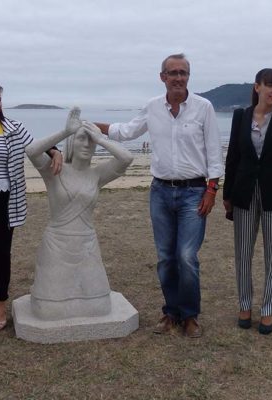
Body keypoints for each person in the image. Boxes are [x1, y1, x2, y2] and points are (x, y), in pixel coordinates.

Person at [95, 53, 224, 338]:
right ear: (162, 77)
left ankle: (190, 316)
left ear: (189, 76)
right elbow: (126, 131)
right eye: (173, 72)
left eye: (183, 72)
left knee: (187, 256)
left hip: (194, 192)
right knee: (166, 257)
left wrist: (212, 191)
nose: (179, 77)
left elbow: (215, 154)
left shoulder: (204, 108)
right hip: (161, 192)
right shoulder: (153, 107)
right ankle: (171, 312)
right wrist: (92, 127)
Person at [0, 79, 63, 330]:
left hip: (6, 201)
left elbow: (35, 146)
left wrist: (55, 152)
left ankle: (0, 305)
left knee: (2, 255)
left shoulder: (13, 127)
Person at [25, 108, 133, 320]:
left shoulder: (97, 175)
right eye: (82, 139)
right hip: (56, 245)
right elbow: (31, 150)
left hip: (87, 245)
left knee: (99, 307)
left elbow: (126, 158)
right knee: (50, 311)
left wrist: (100, 139)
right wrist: (65, 132)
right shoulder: (55, 170)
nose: (86, 144)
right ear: (71, 142)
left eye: (90, 141)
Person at [223, 68, 272, 335]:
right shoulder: (241, 116)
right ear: (257, 87)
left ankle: (268, 310)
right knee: (243, 254)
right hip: (243, 194)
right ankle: (245, 306)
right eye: (270, 85)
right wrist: (227, 195)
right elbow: (233, 155)